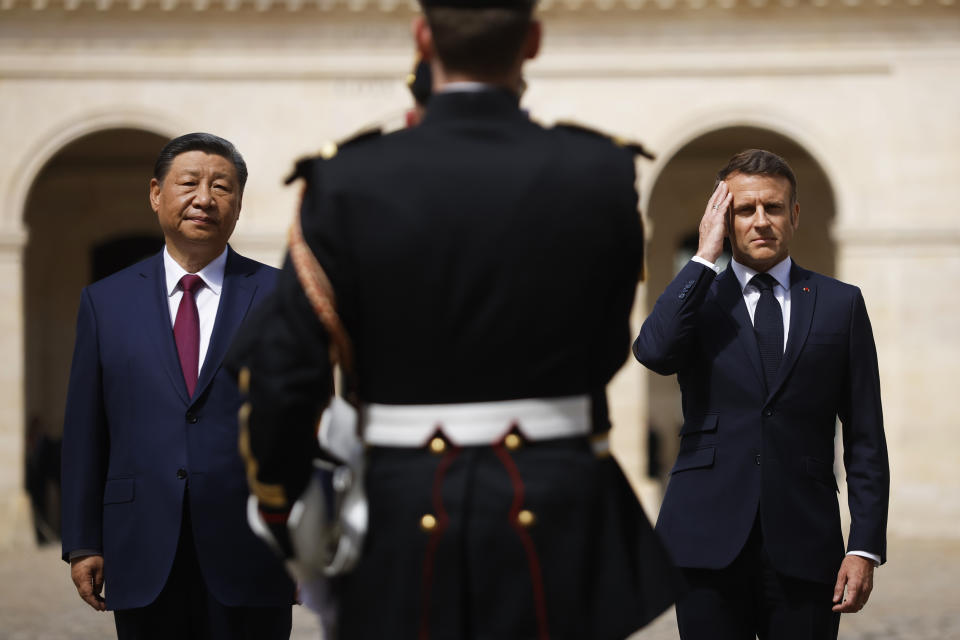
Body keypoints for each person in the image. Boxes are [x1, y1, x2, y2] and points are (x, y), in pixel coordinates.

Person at [227, 1, 683, 638]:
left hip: (400, 511)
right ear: (532, 41)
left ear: (422, 35)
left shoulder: (344, 179)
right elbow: (608, 344)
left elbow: (283, 374)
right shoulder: (600, 171)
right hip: (559, 509)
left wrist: (283, 511)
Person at [634, 149, 890, 640]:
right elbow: (654, 351)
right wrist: (704, 257)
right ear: (723, 217)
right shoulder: (698, 296)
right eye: (744, 209)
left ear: (793, 214)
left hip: (806, 541)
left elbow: (865, 435)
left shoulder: (841, 304)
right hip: (704, 538)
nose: (760, 221)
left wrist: (864, 546)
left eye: (772, 208)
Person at [61, 132, 294, 639]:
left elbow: (305, 421)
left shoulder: (280, 296)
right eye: (188, 183)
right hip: (141, 545)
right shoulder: (106, 302)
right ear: (155, 194)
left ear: (238, 204)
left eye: (222, 187)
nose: (204, 199)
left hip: (253, 549)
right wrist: (82, 542)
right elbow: (85, 428)